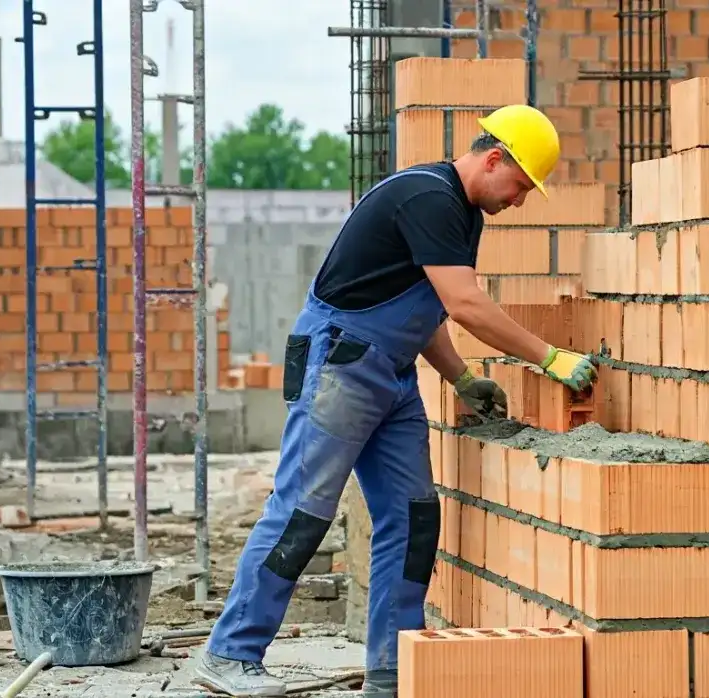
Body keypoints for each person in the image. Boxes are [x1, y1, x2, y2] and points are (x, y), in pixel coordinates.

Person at [193, 104, 598, 697]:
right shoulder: (427, 196)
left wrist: (459, 377)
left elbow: (421, 309)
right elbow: (465, 305)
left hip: (392, 374)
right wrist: (549, 357)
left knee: (411, 519)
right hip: (342, 364)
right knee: (303, 512)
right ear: (493, 160)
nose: (520, 201)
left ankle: (392, 671)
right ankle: (229, 654)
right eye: (520, 186)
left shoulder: (463, 212)